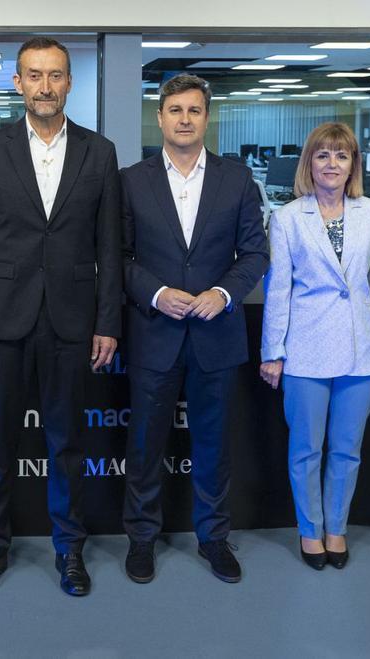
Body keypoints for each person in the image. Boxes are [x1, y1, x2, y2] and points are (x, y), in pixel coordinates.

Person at [0, 36, 121, 598]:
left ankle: (69, 550)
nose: (45, 86)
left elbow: (109, 247)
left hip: (73, 321)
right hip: (3, 319)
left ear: (69, 83)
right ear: (18, 83)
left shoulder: (99, 152)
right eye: (34, 75)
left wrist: (108, 322)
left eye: (55, 75)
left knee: (67, 444)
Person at [119, 74, 268, 585]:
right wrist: (156, 293)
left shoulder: (237, 179)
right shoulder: (131, 180)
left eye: (194, 110)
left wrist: (223, 293)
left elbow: (254, 254)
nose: (185, 119)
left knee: (213, 444)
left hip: (215, 336)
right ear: (159, 118)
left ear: (208, 118)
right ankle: (141, 539)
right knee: (143, 446)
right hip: (153, 333)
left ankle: (214, 538)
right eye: (175, 110)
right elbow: (117, 257)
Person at [258, 122, 370, 570]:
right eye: (323, 155)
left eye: (342, 156)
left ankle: (336, 528)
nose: (332, 164)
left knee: (346, 448)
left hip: (363, 349)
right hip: (305, 349)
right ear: (309, 163)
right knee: (305, 448)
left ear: (353, 165)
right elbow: (278, 290)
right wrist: (272, 352)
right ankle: (309, 530)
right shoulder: (285, 218)